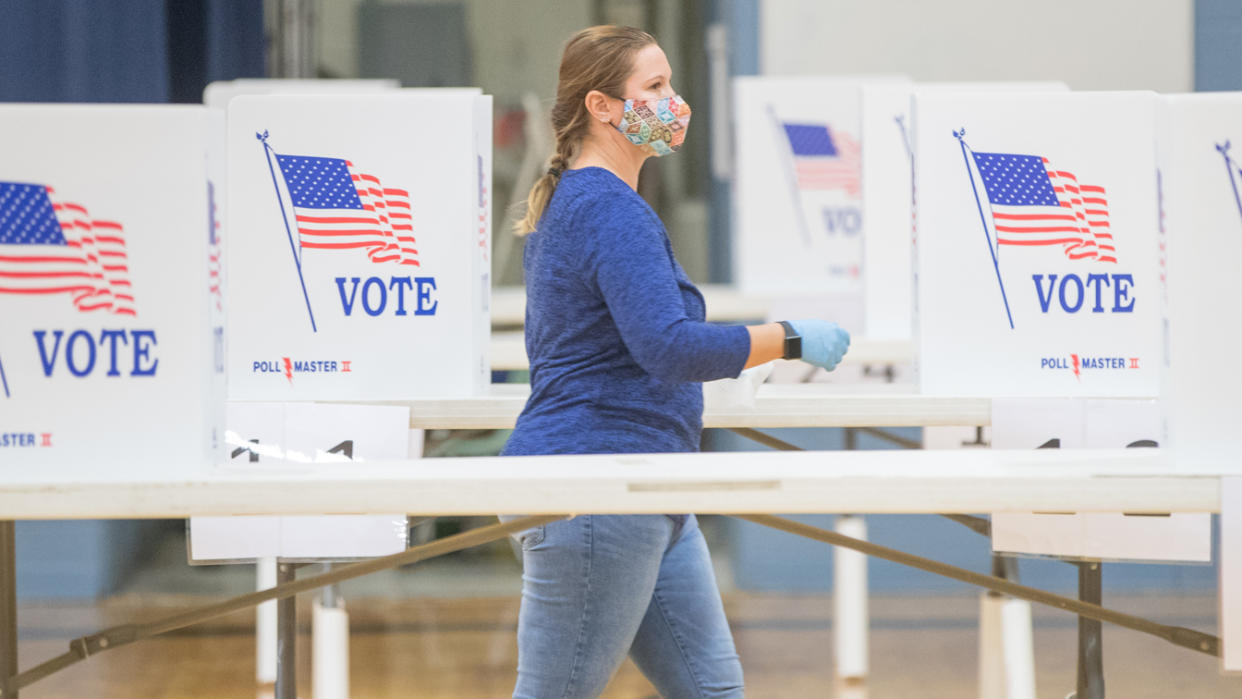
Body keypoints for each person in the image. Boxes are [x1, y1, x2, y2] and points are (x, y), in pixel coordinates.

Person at [500, 25, 850, 699]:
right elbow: (668, 346)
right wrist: (788, 336)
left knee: (713, 689)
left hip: (643, 484)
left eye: (671, 83)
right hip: (596, 489)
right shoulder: (608, 210)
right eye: (655, 87)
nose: (676, 102)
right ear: (602, 107)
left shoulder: (584, 202)